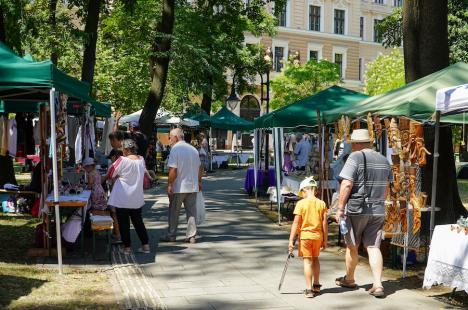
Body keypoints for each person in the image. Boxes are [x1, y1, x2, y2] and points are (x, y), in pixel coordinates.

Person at [334, 129, 392, 298]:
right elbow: (387, 187)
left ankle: (349, 279)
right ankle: (378, 284)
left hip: (357, 209)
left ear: (357, 144)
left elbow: (346, 184)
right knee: (373, 247)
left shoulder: (356, 157)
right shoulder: (383, 159)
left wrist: (340, 208)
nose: (352, 147)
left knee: (352, 245)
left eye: (352, 144)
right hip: (378, 209)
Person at [160, 128, 202, 244]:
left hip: (179, 186)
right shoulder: (193, 149)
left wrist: (169, 185)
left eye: (170, 137)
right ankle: (191, 236)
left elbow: (173, 169)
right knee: (191, 212)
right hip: (192, 185)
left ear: (176, 137)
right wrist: (199, 182)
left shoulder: (175, 149)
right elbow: (200, 167)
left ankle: (171, 235)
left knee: (174, 211)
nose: (169, 139)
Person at [107, 139, 150, 254]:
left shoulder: (122, 160)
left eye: (122, 149)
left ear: (126, 149)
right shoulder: (141, 159)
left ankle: (127, 247)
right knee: (138, 222)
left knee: (124, 223)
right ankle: (145, 245)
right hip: (137, 197)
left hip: (123, 197)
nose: (122, 151)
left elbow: (111, 173)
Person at [288, 176, 328, 298]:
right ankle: (316, 285)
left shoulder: (301, 204)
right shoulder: (322, 203)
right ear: (315, 190)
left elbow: (295, 223)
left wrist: (291, 240)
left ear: (304, 190)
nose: (302, 195)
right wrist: (325, 240)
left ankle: (309, 289)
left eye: (302, 193)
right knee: (315, 259)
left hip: (305, 236)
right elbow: (324, 223)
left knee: (307, 261)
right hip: (317, 236)